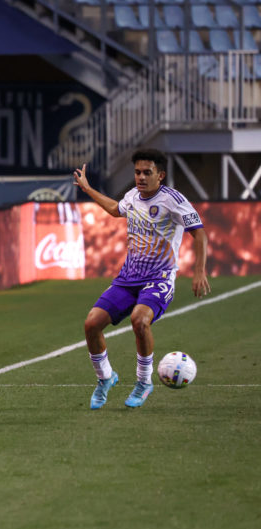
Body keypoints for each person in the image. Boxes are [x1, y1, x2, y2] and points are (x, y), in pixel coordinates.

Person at [73, 148, 210, 410]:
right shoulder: (132, 196)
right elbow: (116, 209)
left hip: (159, 277)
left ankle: (144, 382)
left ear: (160, 175)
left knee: (139, 320)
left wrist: (199, 270)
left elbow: (200, 234)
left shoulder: (175, 200)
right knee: (91, 324)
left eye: (147, 172)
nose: (141, 177)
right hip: (128, 278)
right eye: (137, 172)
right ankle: (105, 378)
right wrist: (88, 189)